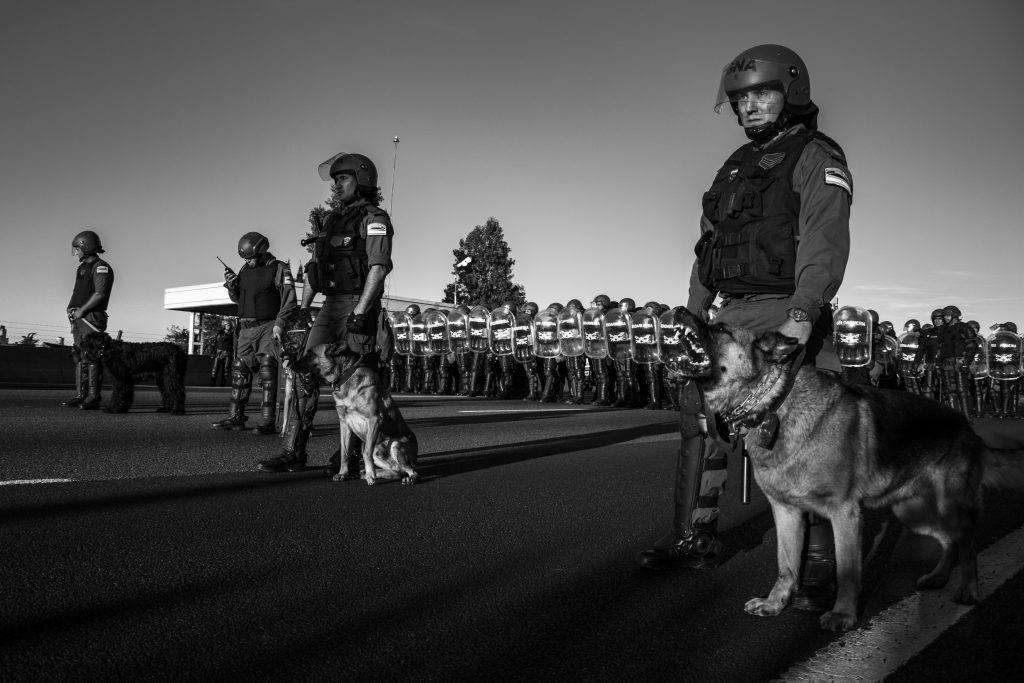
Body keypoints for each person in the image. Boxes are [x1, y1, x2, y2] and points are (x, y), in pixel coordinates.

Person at [637, 44, 853, 611]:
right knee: (698, 421)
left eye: (762, 93)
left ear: (793, 92)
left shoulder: (816, 154)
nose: (750, 106)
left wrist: (804, 315)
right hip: (727, 317)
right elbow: (708, 247)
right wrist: (693, 314)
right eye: (741, 99)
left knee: (811, 439)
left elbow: (825, 241)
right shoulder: (733, 166)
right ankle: (695, 537)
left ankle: (817, 571)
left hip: (784, 315)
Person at [258, 152, 394, 473]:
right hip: (330, 306)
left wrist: (361, 311)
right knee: (304, 370)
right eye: (333, 180)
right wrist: (304, 308)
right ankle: (294, 451)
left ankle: (349, 457)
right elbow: (316, 270)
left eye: (342, 179)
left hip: (360, 303)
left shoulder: (374, 219)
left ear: (362, 180)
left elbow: (379, 267)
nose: (336, 186)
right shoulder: (332, 220)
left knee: (360, 379)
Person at [212, 232, 297, 435]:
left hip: (268, 326)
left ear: (261, 250)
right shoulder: (243, 270)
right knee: (240, 371)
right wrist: (232, 285)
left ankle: (268, 422)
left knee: (268, 371)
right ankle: (236, 417)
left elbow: (290, 299)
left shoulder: (279, 268)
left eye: (250, 257)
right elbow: (237, 299)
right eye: (245, 258)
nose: (248, 261)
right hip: (245, 329)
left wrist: (280, 323)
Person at [63, 230, 115, 410]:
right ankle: (81, 395)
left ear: (86, 246)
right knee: (79, 356)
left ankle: (93, 397)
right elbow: (76, 292)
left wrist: (82, 310)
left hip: (91, 318)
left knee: (91, 357)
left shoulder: (101, 267)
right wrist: (70, 308)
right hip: (78, 318)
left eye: (77, 248)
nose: (76, 252)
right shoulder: (81, 268)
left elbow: (99, 294)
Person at [209, 319, 235, 387]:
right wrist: (212, 353)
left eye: (229, 325)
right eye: (227, 325)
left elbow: (234, 345)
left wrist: (232, 353)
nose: (228, 326)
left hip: (227, 353)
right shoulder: (219, 333)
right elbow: (213, 343)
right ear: (224, 325)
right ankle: (212, 384)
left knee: (226, 371)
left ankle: (222, 385)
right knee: (215, 369)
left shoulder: (232, 335)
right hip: (219, 353)